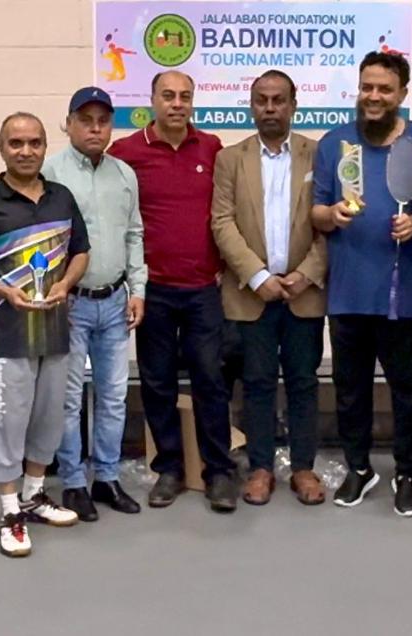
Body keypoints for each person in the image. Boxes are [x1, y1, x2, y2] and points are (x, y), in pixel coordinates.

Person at [311, 51, 412, 516]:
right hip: (347, 293)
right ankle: (359, 468)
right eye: (367, 87)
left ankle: (407, 473)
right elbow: (316, 211)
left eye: (384, 89)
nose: (373, 96)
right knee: (351, 390)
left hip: (406, 295)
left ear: (402, 94)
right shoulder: (334, 144)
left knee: (409, 391)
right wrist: (331, 214)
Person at [0, 112, 88, 557]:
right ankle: (10, 511)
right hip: (6, 333)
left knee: (49, 418)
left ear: (45, 146)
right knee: (6, 422)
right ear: (2, 148)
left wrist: (66, 284)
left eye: (34, 143)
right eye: (16, 143)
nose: (25, 151)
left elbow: (81, 252)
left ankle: (34, 494)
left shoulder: (61, 197)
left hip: (56, 331)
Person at [108, 71, 236, 511]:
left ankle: (218, 471)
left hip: (203, 288)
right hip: (153, 289)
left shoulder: (212, 148)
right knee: (158, 381)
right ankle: (169, 469)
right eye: (168, 95)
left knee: (211, 380)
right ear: (152, 99)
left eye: (185, 96)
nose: (177, 103)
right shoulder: (126, 152)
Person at [210, 70, 328, 506]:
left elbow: (332, 225)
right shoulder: (230, 159)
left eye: (279, 100)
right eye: (262, 100)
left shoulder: (319, 155)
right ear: (251, 105)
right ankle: (260, 467)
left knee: (303, 382)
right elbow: (221, 222)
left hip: (303, 293)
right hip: (250, 294)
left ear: (294, 105)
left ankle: (303, 467)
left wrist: (304, 275)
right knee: (257, 382)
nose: (270, 108)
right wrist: (258, 277)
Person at [42, 87, 146, 521]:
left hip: (115, 301)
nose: (95, 128)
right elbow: (42, 240)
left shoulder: (124, 174)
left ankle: (106, 476)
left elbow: (134, 234)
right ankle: (72, 482)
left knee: (114, 396)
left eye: (103, 121)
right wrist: (55, 291)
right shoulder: (51, 172)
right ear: (69, 124)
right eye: (85, 120)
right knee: (68, 399)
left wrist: (138, 289)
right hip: (72, 304)